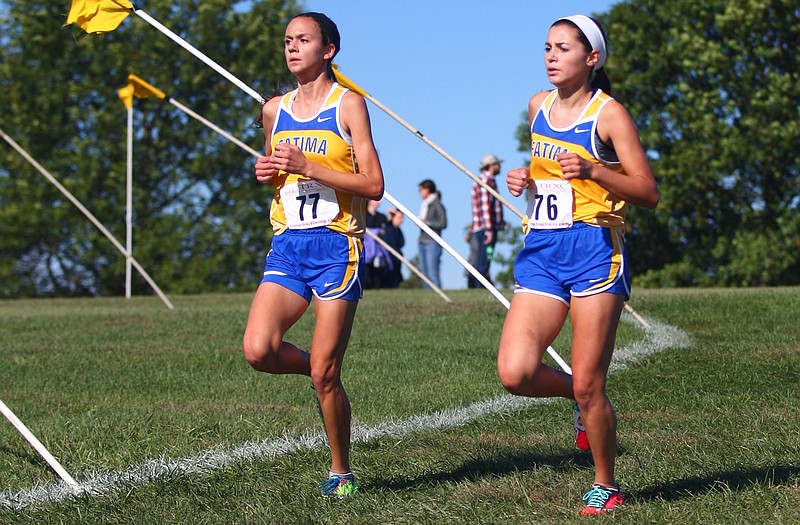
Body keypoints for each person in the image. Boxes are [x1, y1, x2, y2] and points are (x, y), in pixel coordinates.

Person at [496, 15, 659, 516]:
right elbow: (549, 173)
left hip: (594, 250)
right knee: (516, 372)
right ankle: (580, 403)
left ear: (591, 59)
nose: (550, 56)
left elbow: (648, 191)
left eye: (563, 48)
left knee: (592, 381)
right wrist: (526, 176)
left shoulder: (609, 115)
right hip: (543, 249)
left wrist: (593, 169)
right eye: (547, 47)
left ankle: (605, 484)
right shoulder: (537, 106)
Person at [243, 11, 384, 498]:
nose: (292, 47)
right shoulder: (273, 110)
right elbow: (277, 169)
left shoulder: (349, 106)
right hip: (288, 246)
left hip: (335, 246)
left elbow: (374, 185)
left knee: (327, 376)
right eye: (287, 40)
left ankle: (341, 470)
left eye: (303, 39)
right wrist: (270, 171)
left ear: (329, 50)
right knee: (258, 350)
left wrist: (312, 166)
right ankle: (319, 365)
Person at [467, 154, 505, 288]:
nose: (500, 167)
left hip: (486, 227)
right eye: (497, 164)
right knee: (483, 261)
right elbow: (486, 207)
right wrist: (489, 230)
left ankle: (480, 286)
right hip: (486, 229)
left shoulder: (489, 180)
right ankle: (480, 287)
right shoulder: (485, 181)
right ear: (491, 165)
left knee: (484, 259)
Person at [416, 179, 447, 289]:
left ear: (428, 189)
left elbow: (443, 223)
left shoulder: (437, 204)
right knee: (425, 273)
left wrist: (427, 223)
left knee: (432, 272)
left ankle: (437, 294)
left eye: (421, 189)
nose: (420, 192)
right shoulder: (425, 204)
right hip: (422, 241)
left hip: (432, 242)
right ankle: (428, 295)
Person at [381, 208, 405, 288]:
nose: (401, 220)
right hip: (387, 257)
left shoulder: (399, 231)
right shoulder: (388, 228)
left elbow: (401, 243)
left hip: (396, 257)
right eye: (399, 217)